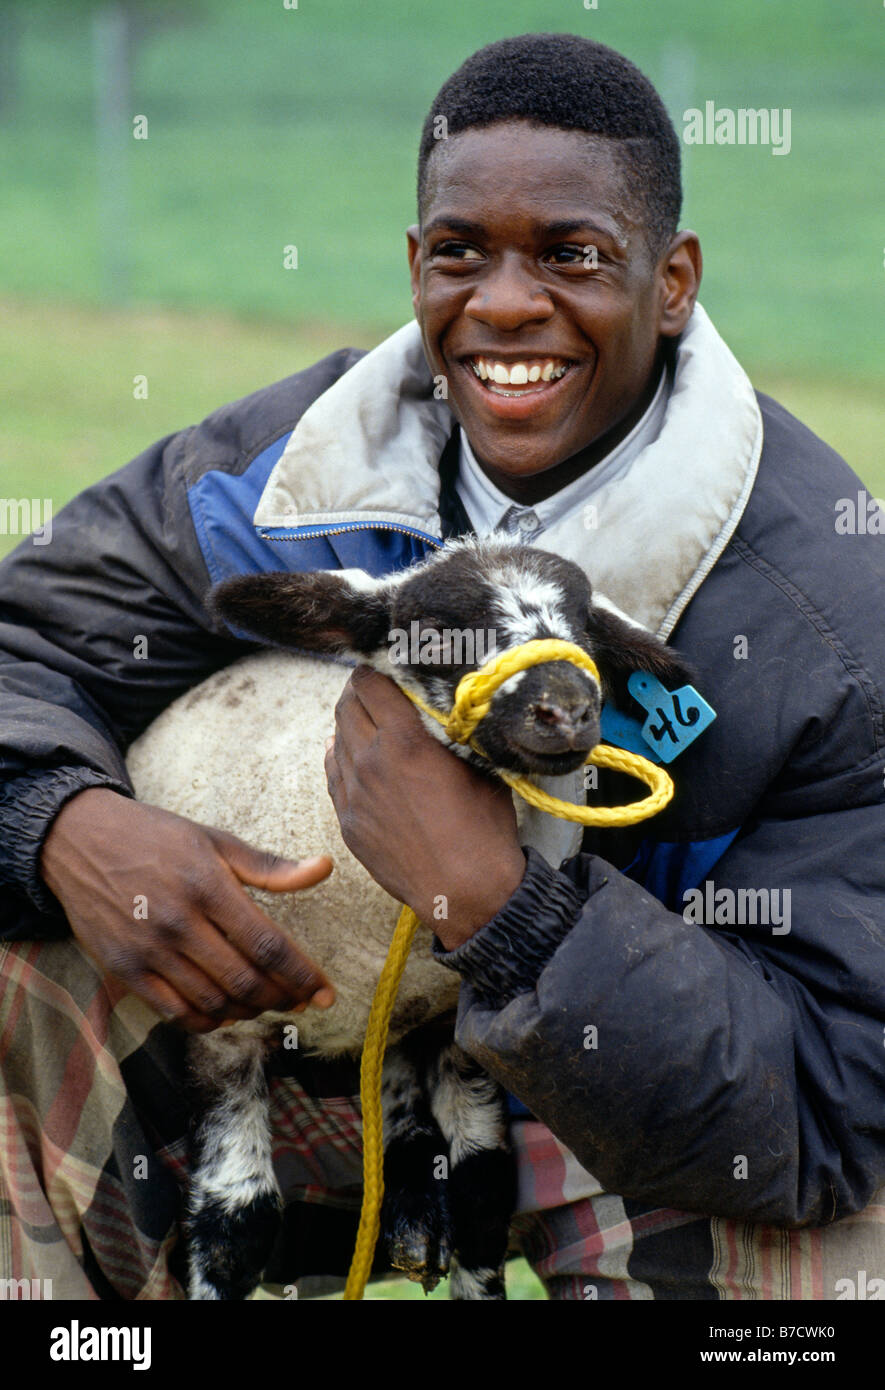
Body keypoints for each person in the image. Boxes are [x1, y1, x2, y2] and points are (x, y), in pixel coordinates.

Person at [1, 32, 883, 1301]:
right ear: (417, 267)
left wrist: (506, 911)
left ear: (673, 280)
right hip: (275, 1048)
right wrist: (60, 823)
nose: (508, 304)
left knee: (846, 1258)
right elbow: (23, 643)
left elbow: (827, 1100)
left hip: (615, 1127)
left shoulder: (829, 619)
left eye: (573, 255)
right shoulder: (282, 476)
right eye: (463, 252)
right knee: (21, 972)